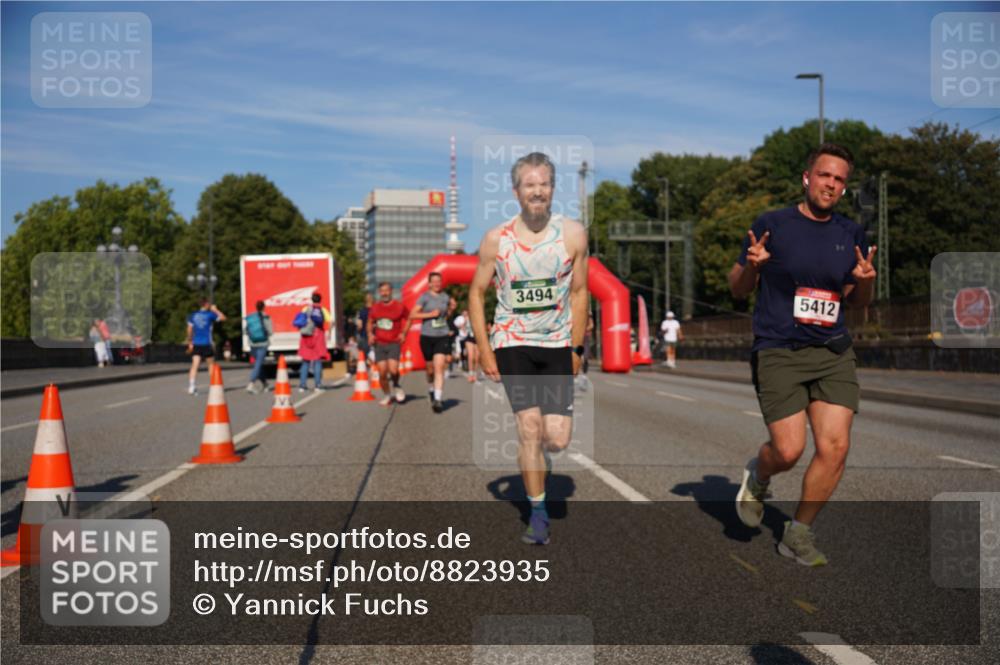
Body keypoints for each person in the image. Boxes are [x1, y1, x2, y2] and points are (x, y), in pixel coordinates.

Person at [730, 143, 877, 567]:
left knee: (835, 446)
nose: (831, 184)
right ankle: (759, 475)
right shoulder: (772, 225)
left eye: (840, 180)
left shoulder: (850, 233)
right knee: (789, 451)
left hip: (832, 349)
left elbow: (857, 301)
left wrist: (865, 280)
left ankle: (798, 532)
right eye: (825, 175)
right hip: (778, 349)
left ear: (844, 188)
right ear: (807, 177)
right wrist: (753, 265)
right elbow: (738, 288)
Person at [469, 151, 589, 545]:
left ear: (553, 188)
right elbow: (476, 292)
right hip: (512, 340)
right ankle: (537, 514)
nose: (537, 191)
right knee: (529, 428)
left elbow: (580, 291)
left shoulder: (572, 234)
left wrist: (576, 348)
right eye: (529, 185)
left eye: (544, 184)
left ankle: (542, 457)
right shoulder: (496, 239)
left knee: (557, 437)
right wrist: (485, 350)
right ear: (516, 190)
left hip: (556, 342)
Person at [411, 272, 452, 413]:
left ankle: (438, 399)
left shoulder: (446, 297)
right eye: (434, 281)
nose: (437, 284)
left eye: (439, 281)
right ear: (429, 283)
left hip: (442, 335)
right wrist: (429, 315)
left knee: (439, 367)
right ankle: (431, 388)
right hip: (427, 336)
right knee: (430, 370)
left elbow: (446, 315)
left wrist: (451, 309)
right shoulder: (424, 297)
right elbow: (412, 314)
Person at [367, 282, 411, 407]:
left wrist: (403, 333)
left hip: (393, 343)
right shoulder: (375, 308)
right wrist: (370, 334)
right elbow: (370, 322)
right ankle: (387, 395)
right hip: (379, 343)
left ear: (391, 291)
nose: (384, 293)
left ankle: (396, 385)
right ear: (379, 292)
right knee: (382, 372)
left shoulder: (399, 306)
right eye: (382, 291)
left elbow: (409, 319)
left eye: (387, 290)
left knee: (393, 370)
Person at [186, 299, 226, 395]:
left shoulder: (193, 315)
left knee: (195, 365)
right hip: (206, 343)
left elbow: (189, 329)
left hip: (196, 343)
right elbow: (224, 318)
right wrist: (215, 310)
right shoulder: (210, 315)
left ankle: (191, 386)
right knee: (211, 365)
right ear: (207, 304)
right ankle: (213, 386)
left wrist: (190, 341)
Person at [296, 292, 331, 392]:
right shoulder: (323, 310)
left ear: (312, 299)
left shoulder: (305, 308)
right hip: (318, 335)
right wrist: (329, 333)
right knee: (317, 360)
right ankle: (317, 385)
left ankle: (302, 386)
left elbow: (300, 320)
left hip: (306, 336)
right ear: (320, 300)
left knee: (305, 360)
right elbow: (330, 320)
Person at [245, 300, 273, 394]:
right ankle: (251, 383)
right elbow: (270, 331)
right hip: (263, 344)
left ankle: (265, 384)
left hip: (252, 344)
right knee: (258, 364)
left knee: (258, 364)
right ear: (263, 307)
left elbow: (245, 331)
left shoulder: (251, 317)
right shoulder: (266, 317)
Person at [356, 293, 374, 357]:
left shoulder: (362, 311)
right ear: (372, 300)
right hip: (375, 336)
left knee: (366, 355)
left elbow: (359, 326)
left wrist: (358, 332)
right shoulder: (376, 310)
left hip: (364, 336)